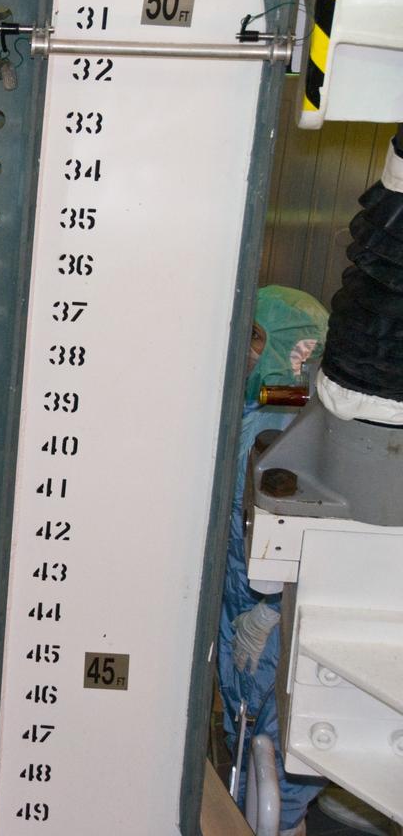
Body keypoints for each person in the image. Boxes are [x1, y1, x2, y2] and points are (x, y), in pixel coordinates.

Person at [217, 285, 329, 836]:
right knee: (247, 744)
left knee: (279, 760)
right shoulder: (251, 416)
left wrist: (271, 615)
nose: (248, 353)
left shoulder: (298, 436)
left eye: (259, 340)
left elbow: (322, 551)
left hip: (277, 625)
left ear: (294, 352)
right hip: (242, 610)